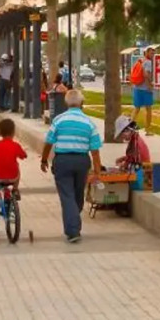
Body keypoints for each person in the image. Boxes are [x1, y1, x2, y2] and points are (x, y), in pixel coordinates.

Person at [40, 89, 103, 243]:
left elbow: (48, 142)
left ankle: (72, 226)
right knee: (77, 195)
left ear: (66, 103)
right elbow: (95, 151)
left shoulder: (58, 120)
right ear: (82, 103)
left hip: (62, 161)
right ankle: (73, 228)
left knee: (67, 196)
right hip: (82, 162)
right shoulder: (89, 123)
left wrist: (44, 160)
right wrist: (97, 171)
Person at [130, 48, 156, 132]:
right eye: (151, 53)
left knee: (137, 108)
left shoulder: (140, 60)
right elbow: (146, 75)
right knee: (149, 109)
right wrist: (150, 86)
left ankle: (130, 126)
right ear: (146, 52)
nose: (152, 55)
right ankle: (147, 129)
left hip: (137, 87)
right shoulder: (148, 62)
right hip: (145, 89)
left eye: (153, 53)